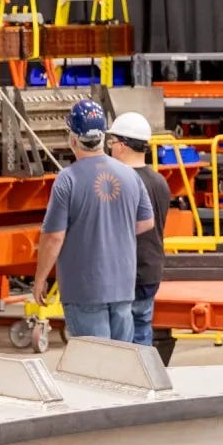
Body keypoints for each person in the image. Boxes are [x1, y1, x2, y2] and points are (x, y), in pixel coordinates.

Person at [32, 101, 155, 343]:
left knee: (96, 365)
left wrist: (40, 279)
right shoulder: (130, 175)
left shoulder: (67, 180)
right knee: (121, 361)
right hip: (122, 285)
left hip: (85, 289)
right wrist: (113, 230)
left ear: (74, 139)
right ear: (102, 137)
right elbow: (146, 222)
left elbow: (54, 237)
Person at [107, 110, 174, 352]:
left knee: (120, 341)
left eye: (112, 142)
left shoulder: (118, 182)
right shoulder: (159, 181)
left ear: (123, 145)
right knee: (142, 331)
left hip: (125, 274)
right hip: (150, 269)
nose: (110, 148)